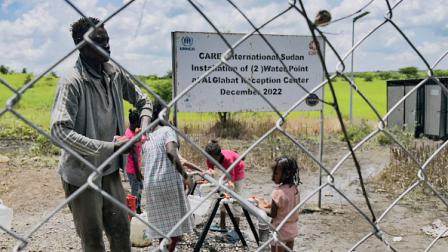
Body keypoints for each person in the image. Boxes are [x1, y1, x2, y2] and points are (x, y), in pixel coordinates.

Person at [50, 17, 152, 252]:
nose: (107, 46)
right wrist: (111, 147)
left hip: (108, 170)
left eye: (107, 40)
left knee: (121, 231)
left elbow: (144, 100)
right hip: (82, 174)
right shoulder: (72, 82)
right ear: (80, 45)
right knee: (93, 239)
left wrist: (143, 127)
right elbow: (59, 131)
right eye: (98, 41)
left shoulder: (114, 73)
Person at [142, 100, 193, 252]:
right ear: (163, 114)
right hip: (167, 181)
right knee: (176, 222)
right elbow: (171, 152)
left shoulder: (148, 136)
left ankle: (162, 248)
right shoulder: (167, 131)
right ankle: (168, 250)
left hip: (151, 183)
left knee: (161, 221)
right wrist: (185, 175)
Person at [256, 157, 301, 252]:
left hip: (280, 230)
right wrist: (269, 204)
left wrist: (260, 206)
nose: (272, 177)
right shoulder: (295, 189)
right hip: (292, 227)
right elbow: (287, 206)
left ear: (286, 174)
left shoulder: (277, 192)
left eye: (275, 173)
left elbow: (273, 214)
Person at [205, 140, 246, 231]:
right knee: (222, 197)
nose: (210, 160)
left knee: (236, 198)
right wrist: (210, 172)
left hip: (238, 169)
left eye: (212, 158)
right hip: (227, 172)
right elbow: (210, 167)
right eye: (208, 157)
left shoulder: (228, 159)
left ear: (218, 155)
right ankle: (222, 225)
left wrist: (229, 186)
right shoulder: (210, 158)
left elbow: (231, 177)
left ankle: (236, 229)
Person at [125, 109, 144, 214]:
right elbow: (134, 156)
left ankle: (137, 208)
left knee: (140, 187)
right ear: (135, 122)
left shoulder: (134, 132)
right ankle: (133, 212)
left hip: (136, 167)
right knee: (135, 191)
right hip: (133, 169)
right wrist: (138, 173)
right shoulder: (129, 136)